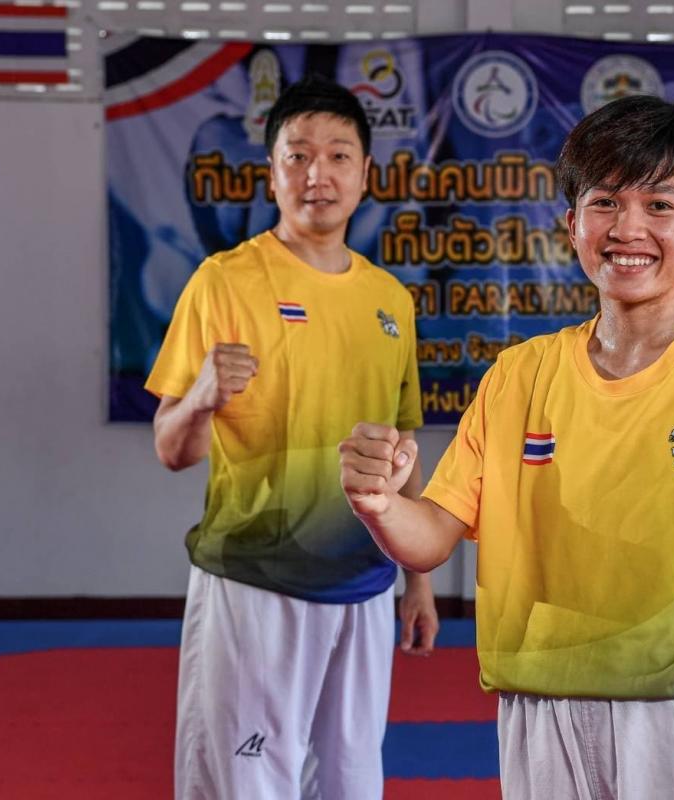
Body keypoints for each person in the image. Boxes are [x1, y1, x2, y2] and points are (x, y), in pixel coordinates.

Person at [338, 94, 674, 799]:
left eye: (660, 205)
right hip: (540, 703)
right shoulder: (518, 375)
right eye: (606, 202)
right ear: (572, 223)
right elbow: (432, 535)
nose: (629, 228)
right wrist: (376, 502)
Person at [146, 74, 438, 800]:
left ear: (366, 175)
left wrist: (419, 580)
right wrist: (203, 400)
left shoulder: (389, 300)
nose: (319, 173)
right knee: (248, 784)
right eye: (299, 155)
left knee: (351, 782)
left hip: (365, 587)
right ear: (271, 173)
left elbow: (404, 444)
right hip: (254, 582)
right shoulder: (223, 282)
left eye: (339, 155)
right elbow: (170, 448)